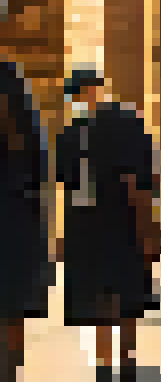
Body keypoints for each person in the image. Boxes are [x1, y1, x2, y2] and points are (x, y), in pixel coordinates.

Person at [57, 69, 161, 382]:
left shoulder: (78, 132)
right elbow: (148, 175)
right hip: (117, 219)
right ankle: (120, 362)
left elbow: (67, 180)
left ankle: (111, 364)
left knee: (105, 295)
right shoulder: (127, 124)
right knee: (120, 293)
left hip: (97, 221)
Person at [0, 60, 51, 382]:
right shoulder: (12, 80)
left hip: (15, 209)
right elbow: (38, 159)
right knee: (11, 306)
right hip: (15, 212)